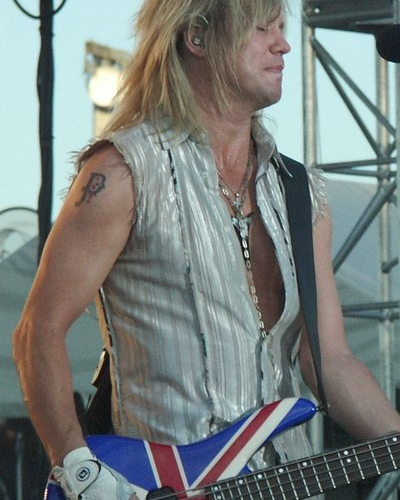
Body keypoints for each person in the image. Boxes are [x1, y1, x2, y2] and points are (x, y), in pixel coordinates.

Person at [12, 0, 400, 499]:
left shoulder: (302, 194)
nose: (283, 45)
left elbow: (332, 361)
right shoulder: (124, 172)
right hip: (160, 484)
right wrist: (79, 469)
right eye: (262, 29)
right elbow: (37, 332)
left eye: (283, 28)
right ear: (197, 37)